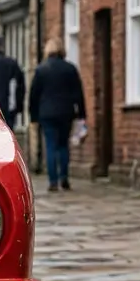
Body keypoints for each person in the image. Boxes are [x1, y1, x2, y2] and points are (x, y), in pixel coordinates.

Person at [28, 37, 87, 192]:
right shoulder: (70, 69)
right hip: (66, 112)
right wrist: (82, 114)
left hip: (46, 113)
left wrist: (33, 116)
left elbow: (34, 95)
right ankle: (64, 178)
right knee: (63, 145)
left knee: (50, 145)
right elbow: (78, 93)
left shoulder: (41, 70)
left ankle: (53, 181)